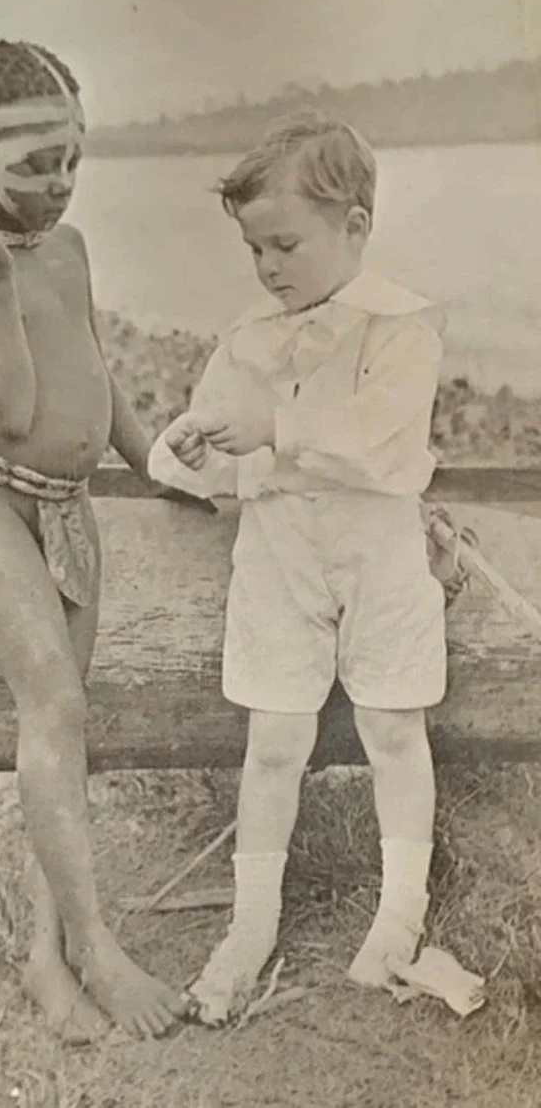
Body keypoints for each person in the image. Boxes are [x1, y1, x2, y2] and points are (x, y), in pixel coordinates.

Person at [0, 38, 197, 1042]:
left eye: (74, 157)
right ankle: (97, 945)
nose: (61, 184)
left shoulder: (68, 248)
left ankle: (42, 949)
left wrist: (161, 463)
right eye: (34, 166)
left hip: (66, 509)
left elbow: (97, 376)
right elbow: (9, 406)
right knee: (54, 700)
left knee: (60, 727)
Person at [148, 109, 448, 1025]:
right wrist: (192, 447)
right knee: (274, 740)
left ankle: (402, 908)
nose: (270, 268)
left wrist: (276, 428)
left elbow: (377, 443)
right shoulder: (248, 338)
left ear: (355, 226)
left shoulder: (402, 330)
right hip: (280, 556)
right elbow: (207, 453)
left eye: (286, 244)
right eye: (255, 251)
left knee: (395, 727)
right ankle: (252, 920)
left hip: (378, 553)